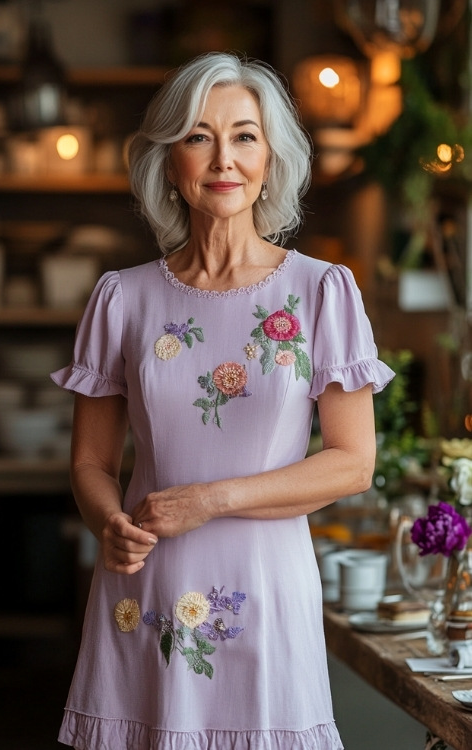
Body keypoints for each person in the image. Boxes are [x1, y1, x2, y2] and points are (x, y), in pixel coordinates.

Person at [51, 51, 395, 750]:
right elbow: (89, 463)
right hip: (144, 589)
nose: (223, 159)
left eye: (244, 135)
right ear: (170, 159)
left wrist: (210, 499)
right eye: (199, 136)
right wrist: (107, 520)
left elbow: (353, 464)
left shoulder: (321, 290)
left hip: (266, 590)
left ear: (271, 156)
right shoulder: (123, 298)